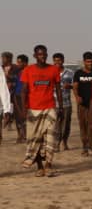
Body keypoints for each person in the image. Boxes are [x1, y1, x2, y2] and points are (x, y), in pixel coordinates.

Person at [20, 45, 63, 176]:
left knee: (50, 138)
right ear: (35, 56)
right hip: (33, 109)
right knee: (35, 139)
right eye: (39, 54)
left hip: (49, 108)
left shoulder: (54, 69)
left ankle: (48, 165)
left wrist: (61, 107)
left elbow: (58, 89)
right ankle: (39, 167)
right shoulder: (28, 70)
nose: (42, 56)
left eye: (44, 54)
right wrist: (23, 109)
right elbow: (24, 91)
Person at [72, 52, 92, 156]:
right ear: (84, 62)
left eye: (91, 61)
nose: (90, 63)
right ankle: (85, 147)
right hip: (82, 105)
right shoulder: (78, 73)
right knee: (83, 126)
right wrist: (77, 97)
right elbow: (75, 87)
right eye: (88, 61)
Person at [51, 53, 74, 152]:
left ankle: (64, 142)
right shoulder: (50, 72)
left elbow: (75, 85)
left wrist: (70, 86)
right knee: (55, 125)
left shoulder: (70, 72)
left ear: (63, 61)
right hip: (53, 103)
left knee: (66, 124)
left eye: (59, 60)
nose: (57, 62)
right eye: (55, 60)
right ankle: (56, 144)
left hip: (66, 103)